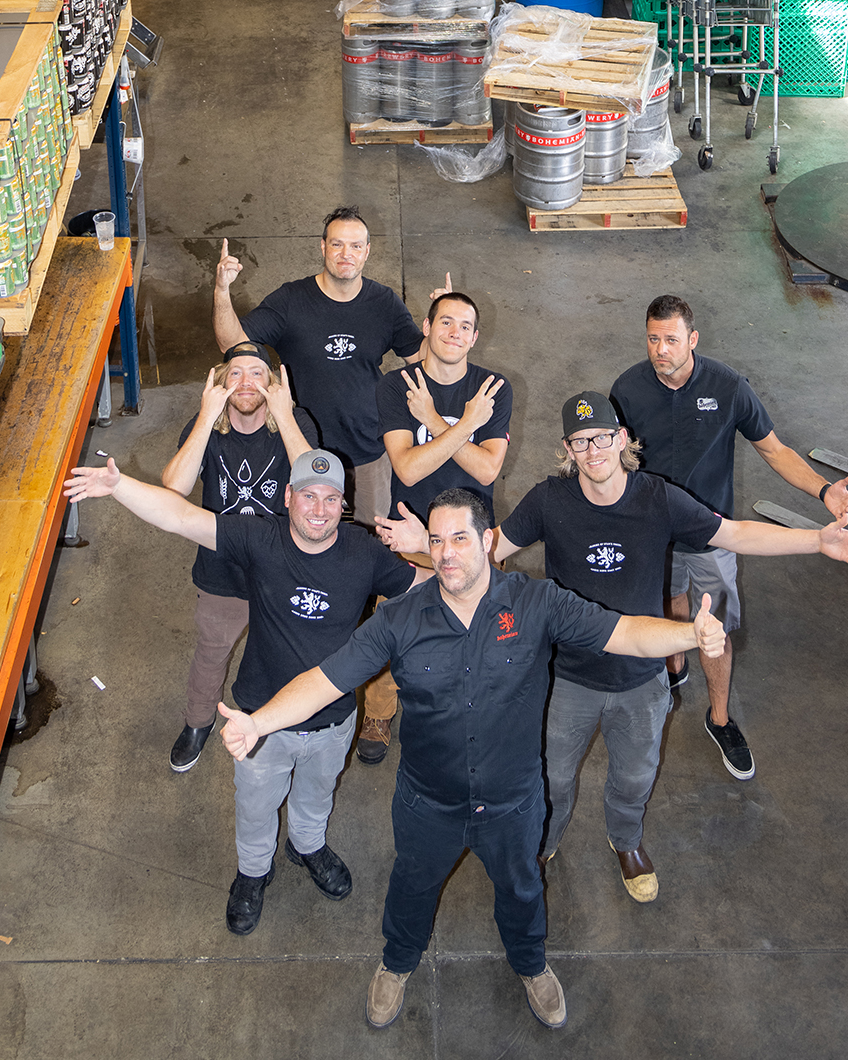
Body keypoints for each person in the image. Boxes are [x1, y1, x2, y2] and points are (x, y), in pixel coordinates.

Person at [217, 487, 726, 1032]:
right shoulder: (399, 619)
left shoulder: (537, 602)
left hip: (513, 804)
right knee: (411, 887)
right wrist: (260, 722)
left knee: (522, 889)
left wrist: (689, 635)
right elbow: (326, 679)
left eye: (460, 538)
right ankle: (397, 962)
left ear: (487, 542)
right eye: (436, 541)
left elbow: (623, 632)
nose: (446, 553)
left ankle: (531, 964)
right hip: (427, 804)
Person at [492, 392, 848, 901]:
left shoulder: (658, 498)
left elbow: (735, 534)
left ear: (622, 439)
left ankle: (626, 840)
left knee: (634, 777)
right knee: (551, 778)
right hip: (567, 676)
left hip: (641, 676)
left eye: (601, 437)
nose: (592, 451)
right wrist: (428, 545)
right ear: (567, 449)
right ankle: (543, 843)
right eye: (579, 442)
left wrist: (815, 540)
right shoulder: (548, 500)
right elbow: (490, 547)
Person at [62, 445, 423, 938]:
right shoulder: (259, 538)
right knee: (255, 806)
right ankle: (253, 872)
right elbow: (181, 518)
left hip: (334, 719)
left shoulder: (365, 553)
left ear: (344, 504)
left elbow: (434, 586)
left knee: (317, 795)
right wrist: (120, 486)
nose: (319, 509)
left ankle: (308, 845)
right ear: (288, 496)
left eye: (331, 498)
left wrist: (430, 543)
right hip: (260, 721)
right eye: (309, 495)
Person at [611, 293, 848, 782]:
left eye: (671, 340)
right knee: (667, 603)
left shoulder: (728, 387)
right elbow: (613, 459)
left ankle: (720, 719)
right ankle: (673, 667)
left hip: (713, 534)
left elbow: (774, 450)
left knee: (716, 631)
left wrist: (824, 489)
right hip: (653, 533)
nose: (660, 350)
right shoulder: (626, 389)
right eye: (653, 339)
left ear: (693, 339)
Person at [354, 290, 511, 769]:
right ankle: (378, 713)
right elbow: (407, 467)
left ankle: (473, 714)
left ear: (475, 337)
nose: (454, 333)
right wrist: (464, 426)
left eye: (465, 326)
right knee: (393, 626)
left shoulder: (493, 388)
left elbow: (487, 470)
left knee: (480, 633)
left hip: (473, 537)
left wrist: (433, 421)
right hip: (410, 532)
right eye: (445, 322)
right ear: (426, 327)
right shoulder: (397, 385)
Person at [212, 208, 430, 528]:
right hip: (302, 447)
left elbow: (420, 358)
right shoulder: (291, 300)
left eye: (356, 246)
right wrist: (221, 291)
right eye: (337, 244)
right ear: (323, 247)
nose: (346, 254)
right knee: (308, 535)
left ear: (367, 251)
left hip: (368, 449)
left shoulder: (384, 303)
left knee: (372, 537)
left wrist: (444, 325)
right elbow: (231, 345)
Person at [160, 345, 315, 774]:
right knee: (211, 651)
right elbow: (174, 488)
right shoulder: (207, 426)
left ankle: (282, 719)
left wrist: (284, 414)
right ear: (220, 383)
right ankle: (198, 721)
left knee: (287, 651)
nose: (246, 382)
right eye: (235, 373)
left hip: (281, 568)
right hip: (222, 569)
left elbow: (314, 482)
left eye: (257, 373)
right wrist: (207, 416)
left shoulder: (296, 422)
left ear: (273, 384)